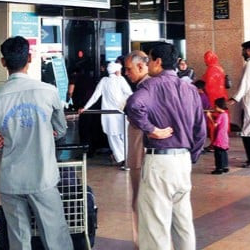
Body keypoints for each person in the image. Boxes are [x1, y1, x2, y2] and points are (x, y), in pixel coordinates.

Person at [0, 36, 73, 250]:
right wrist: (44, 131)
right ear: (30, 58)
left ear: (3, 62)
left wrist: (10, 133)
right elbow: (61, 130)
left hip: (11, 180)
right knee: (56, 238)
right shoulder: (48, 91)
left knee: (19, 241)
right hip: (43, 176)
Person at [125, 42, 206, 250]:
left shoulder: (151, 86)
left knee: (155, 225)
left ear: (158, 62)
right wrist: (191, 156)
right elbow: (200, 130)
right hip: (183, 161)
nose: (148, 64)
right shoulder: (190, 88)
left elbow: (133, 105)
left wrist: (150, 129)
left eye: (149, 60)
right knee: (183, 223)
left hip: (160, 161)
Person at [79, 62, 132, 167]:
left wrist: (85, 107)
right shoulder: (121, 80)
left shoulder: (104, 81)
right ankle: (127, 158)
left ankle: (122, 158)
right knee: (125, 136)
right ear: (117, 71)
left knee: (113, 137)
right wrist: (123, 103)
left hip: (109, 115)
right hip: (121, 113)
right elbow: (130, 94)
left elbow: (95, 96)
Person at [122, 50, 149, 250]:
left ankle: (143, 244)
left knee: (140, 201)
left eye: (128, 69)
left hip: (141, 154)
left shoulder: (143, 92)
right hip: (148, 154)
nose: (126, 73)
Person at [208, 97, 230, 175]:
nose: (214, 108)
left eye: (215, 106)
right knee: (223, 153)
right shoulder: (225, 114)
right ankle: (225, 167)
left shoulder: (221, 115)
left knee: (218, 154)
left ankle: (219, 168)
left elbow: (215, 124)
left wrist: (209, 116)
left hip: (219, 137)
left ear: (218, 106)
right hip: (224, 137)